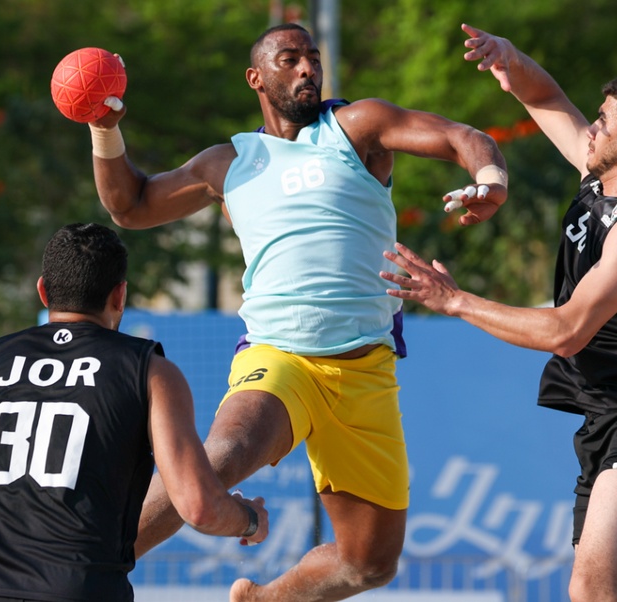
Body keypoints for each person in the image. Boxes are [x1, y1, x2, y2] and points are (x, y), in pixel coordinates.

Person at [85, 22, 508, 602]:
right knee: (225, 457)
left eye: (313, 57)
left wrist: (489, 178)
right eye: (290, 59)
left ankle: (260, 600)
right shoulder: (227, 163)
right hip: (280, 357)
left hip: (365, 370)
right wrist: (105, 130)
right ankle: (82, 566)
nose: (309, 67)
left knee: (368, 564)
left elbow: (462, 136)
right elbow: (128, 206)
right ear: (256, 78)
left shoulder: (357, 126)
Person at [380, 23, 617, 602]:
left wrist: (455, 300)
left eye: (602, 120)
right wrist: (510, 59)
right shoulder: (600, 177)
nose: (591, 127)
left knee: (591, 588)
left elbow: (568, 331)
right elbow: (546, 98)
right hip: (605, 427)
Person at [0, 223, 269, 602]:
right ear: (120, 296)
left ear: (43, 291)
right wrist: (249, 519)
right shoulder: (149, 372)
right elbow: (197, 506)